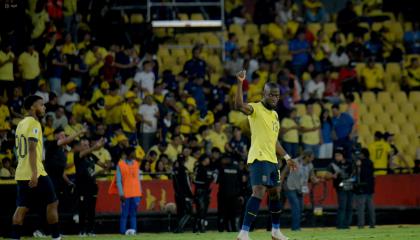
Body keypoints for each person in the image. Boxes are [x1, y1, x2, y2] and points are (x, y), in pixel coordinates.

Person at [234, 70, 296, 240]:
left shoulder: (275, 115)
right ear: (264, 94)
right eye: (272, 95)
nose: (275, 98)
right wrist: (240, 83)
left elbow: (274, 140)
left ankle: (275, 231)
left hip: (272, 160)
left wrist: (287, 158)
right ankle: (244, 232)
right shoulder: (255, 108)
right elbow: (239, 105)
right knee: (259, 191)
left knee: (276, 192)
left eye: (277, 95)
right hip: (259, 158)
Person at [11, 95, 61, 240]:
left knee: (21, 208)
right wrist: (34, 173)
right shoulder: (34, 123)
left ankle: (14, 238)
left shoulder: (21, 124)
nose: (44, 107)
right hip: (36, 172)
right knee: (53, 202)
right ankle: (56, 237)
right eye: (41, 104)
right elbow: (32, 149)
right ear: (33, 107)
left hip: (21, 172)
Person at [74, 137, 106, 236]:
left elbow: (104, 165)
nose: (86, 147)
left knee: (91, 209)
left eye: (87, 145)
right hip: (81, 187)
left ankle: (90, 230)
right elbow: (85, 152)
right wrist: (95, 147)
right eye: (84, 145)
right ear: (80, 147)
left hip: (92, 186)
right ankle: (81, 230)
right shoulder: (78, 155)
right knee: (82, 209)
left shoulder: (91, 156)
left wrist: (105, 166)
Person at [109, 147, 143, 235]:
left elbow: (138, 179)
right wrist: (121, 194)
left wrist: (140, 192)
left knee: (133, 214)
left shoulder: (136, 164)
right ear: (129, 154)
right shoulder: (120, 164)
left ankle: (134, 231)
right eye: (133, 152)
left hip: (135, 193)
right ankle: (122, 232)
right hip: (125, 194)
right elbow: (118, 181)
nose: (135, 154)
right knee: (124, 214)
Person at [282, 150, 319, 231]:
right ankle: (295, 228)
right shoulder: (294, 162)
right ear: (307, 156)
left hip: (300, 189)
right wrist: (279, 185)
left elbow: (312, 176)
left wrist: (316, 180)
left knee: (301, 207)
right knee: (296, 207)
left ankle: (296, 226)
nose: (312, 159)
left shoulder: (310, 165)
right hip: (290, 187)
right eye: (311, 157)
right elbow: (284, 172)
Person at [325, 147, 354, 229]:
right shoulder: (332, 164)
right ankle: (340, 225)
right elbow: (326, 175)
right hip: (341, 188)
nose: (336, 157)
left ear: (343, 156)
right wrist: (332, 175)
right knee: (342, 206)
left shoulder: (349, 163)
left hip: (350, 187)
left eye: (338, 155)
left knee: (349, 207)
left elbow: (354, 173)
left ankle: (347, 225)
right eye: (335, 156)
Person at [217, 154, 241, 232]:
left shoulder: (222, 167)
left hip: (228, 195)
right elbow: (239, 182)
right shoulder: (236, 168)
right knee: (227, 214)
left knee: (228, 214)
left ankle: (227, 229)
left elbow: (217, 181)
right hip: (228, 195)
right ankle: (229, 229)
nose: (223, 160)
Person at [354, 148, 376, 229]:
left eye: (360, 153)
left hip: (362, 188)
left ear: (363, 154)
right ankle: (372, 224)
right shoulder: (371, 162)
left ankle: (361, 225)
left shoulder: (360, 163)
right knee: (371, 207)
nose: (358, 155)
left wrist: (358, 166)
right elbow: (373, 175)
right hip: (370, 188)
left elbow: (360, 175)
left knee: (360, 208)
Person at [172, 154, 194, 233]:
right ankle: (179, 228)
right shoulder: (185, 170)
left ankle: (178, 228)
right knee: (188, 212)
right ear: (184, 161)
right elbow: (187, 184)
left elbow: (174, 184)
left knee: (180, 212)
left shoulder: (174, 170)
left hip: (177, 194)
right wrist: (191, 195)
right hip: (185, 194)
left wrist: (177, 192)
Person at [193, 155, 213, 233]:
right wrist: (206, 181)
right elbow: (195, 180)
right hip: (200, 191)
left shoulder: (208, 168)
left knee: (204, 210)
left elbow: (210, 179)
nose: (209, 160)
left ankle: (201, 226)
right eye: (207, 158)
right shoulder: (198, 168)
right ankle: (197, 227)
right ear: (204, 160)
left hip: (206, 192)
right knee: (200, 210)